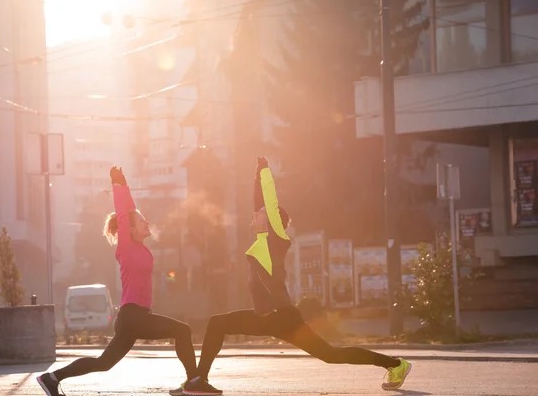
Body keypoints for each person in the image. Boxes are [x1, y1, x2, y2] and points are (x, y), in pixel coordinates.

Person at [183, 158, 412, 395]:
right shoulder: (262, 240)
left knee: (329, 354)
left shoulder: (276, 240)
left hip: (281, 316)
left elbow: (269, 202)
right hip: (268, 316)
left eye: (260, 214)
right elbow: (259, 203)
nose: (254, 216)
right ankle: (199, 380)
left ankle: (395, 364)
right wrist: (255, 177)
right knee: (219, 324)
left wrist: (264, 171)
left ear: (272, 221)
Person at [37, 166, 203, 396]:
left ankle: (51, 378)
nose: (147, 223)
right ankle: (194, 382)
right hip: (133, 315)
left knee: (103, 364)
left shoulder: (142, 249)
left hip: (133, 318)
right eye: (142, 221)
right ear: (130, 229)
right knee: (183, 331)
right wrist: (118, 186)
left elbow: (131, 210)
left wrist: (125, 186)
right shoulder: (125, 246)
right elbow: (125, 212)